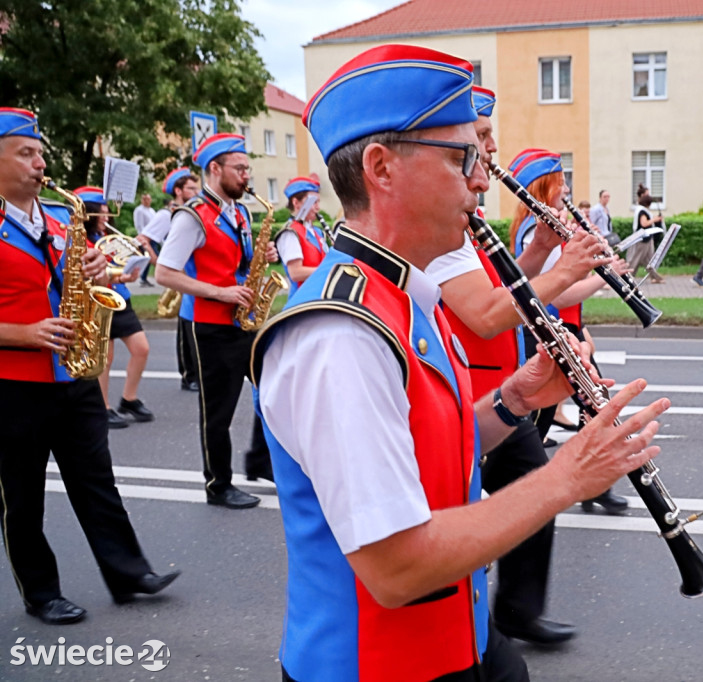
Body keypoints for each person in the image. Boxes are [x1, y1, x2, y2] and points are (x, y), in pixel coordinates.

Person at [253, 45, 668, 681]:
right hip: (377, 668)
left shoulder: (406, 292)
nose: (481, 178)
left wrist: (516, 400)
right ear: (382, 168)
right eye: (462, 158)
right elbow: (395, 569)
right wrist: (568, 477)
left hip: (458, 642)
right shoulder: (341, 335)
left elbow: (428, 449)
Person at [425, 85, 607, 647]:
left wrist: (540, 254)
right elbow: (483, 312)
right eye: (475, 146)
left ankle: (510, 613)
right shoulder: (440, 231)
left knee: (524, 481)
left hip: (497, 386)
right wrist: (566, 267)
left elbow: (505, 282)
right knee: (457, 509)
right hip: (463, 386)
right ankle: (480, 618)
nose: (486, 165)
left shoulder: (463, 224)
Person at [0, 107, 179, 625]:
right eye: (26, 153)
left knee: (97, 480)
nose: (39, 163)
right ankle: (41, 592)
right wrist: (23, 334)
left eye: (40, 153)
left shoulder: (59, 223)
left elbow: (81, 281)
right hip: (13, 384)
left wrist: (101, 266)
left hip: (73, 376)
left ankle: (129, 573)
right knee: (22, 497)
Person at [154, 132, 277, 508]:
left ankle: (262, 462)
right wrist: (220, 292)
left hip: (243, 319)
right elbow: (164, 273)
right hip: (210, 324)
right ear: (214, 169)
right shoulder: (193, 215)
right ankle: (218, 485)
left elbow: (235, 262)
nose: (246, 175)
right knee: (218, 412)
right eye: (239, 168)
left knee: (275, 390)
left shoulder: (237, 211)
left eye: (247, 168)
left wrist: (262, 254)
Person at [509, 147, 632, 515]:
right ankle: (530, 488)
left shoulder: (542, 225)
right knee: (552, 417)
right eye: (559, 183)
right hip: (548, 333)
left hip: (563, 330)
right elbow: (557, 293)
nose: (565, 189)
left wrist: (583, 329)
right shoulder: (537, 229)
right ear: (542, 187)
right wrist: (602, 278)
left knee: (585, 412)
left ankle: (585, 484)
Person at [74, 186, 154, 428]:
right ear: (89, 214)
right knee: (105, 358)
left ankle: (129, 399)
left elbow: (115, 266)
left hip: (120, 299)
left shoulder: (103, 238)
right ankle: (103, 406)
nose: (107, 218)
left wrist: (128, 270)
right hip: (98, 300)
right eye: (103, 213)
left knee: (142, 349)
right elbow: (89, 274)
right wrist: (117, 275)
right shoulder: (79, 241)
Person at [141, 167, 201, 391]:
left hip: (188, 273)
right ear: (178, 191)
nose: (196, 192)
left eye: (197, 188)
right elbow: (143, 239)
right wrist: (160, 263)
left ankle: (193, 373)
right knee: (186, 322)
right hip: (177, 274)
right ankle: (188, 375)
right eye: (191, 188)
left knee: (189, 319)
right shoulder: (166, 215)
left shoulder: (191, 212)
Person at [275, 176, 328, 292]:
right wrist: (328, 270)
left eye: (318, 202)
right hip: (302, 300)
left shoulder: (317, 232)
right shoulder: (290, 233)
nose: (317, 208)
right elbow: (295, 273)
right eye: (313, 202)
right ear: (296, 202)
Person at [626, 193, 665, 283]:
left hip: (647, 238)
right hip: (643, 239)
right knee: (635, 259)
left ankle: (654, 277)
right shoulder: (642, 212)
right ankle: (628, 277)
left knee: (649, 259)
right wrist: (655, 220)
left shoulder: (641, 210)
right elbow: (644, 223)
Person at [132, 193, 156, 286]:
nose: (148, 201)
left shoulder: (152, 210)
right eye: (145, 199)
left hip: (153, 237)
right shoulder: (139, 210)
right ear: (142, 200)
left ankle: (143, 277)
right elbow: (139, 225)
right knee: (148, 257)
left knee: (149, 258)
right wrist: (143, 238)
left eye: (149, 199)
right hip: (145, 238)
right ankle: (142, 277)